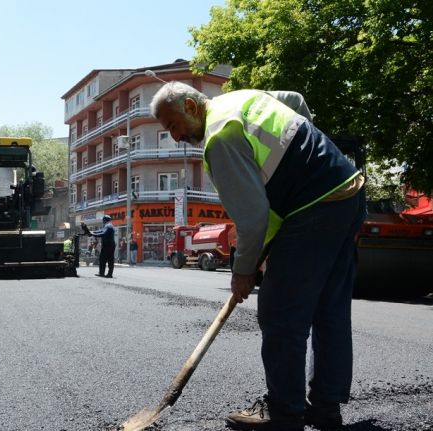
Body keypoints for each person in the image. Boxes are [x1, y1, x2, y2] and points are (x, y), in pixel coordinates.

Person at [150, 82, 366, 431]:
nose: (174, 137)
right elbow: (296, 100)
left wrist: (242, 272)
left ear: (191, 105)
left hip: (313, 206)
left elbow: (252, 219)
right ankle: (326, 408)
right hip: (346, 189)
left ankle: (284, 413)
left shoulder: (219, 139)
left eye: (172, 125)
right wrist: (311, 160)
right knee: (330, 310)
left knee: (280, 313)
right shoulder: (242, 99)